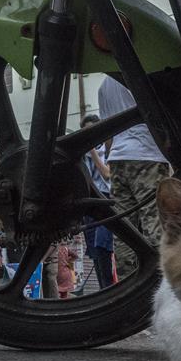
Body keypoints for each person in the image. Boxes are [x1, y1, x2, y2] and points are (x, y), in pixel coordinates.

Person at [96, 76, 169, 280]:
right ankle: (163, 281)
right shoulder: (137, 74)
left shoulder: (104, 87)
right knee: (154, 221)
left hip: (118, 158)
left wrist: (112, 162)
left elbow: (107, 132)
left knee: (125, 231)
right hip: (147, 154)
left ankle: (129, 282)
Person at [80, 114, 115, 290]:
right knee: (94, 253)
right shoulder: (82, 154)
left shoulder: (107, 148)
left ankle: (109, 287)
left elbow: (107, 174)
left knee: (102, 246)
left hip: (105, 200)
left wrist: (92, 151)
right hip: (90, 204)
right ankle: (103, 289)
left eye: (92, 131)